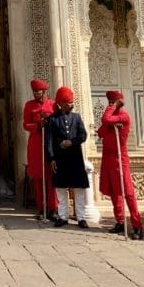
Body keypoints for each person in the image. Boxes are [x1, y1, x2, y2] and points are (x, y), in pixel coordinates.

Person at [97, 90, 144, 239]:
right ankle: (120, 221)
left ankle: (137, 225)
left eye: (114, 102)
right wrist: (111, 110)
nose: (111, 105)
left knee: (128, 192)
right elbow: (101, 131)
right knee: (113, 191)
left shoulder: (124, 116)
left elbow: (106, 120)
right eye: (109, 103)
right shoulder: (110, 118)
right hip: (108, 158)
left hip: (120, 158)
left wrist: (113, 109)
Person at [45, 86, 89, 228]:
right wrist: (51, 158)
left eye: (72, 102)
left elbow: (83, 135)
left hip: (75, 157)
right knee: (60, 188)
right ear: (61, 103)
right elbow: (49, 141)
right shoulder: (53, 120)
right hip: (60, 159)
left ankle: (81, 217)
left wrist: (72, 141)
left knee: (79, 188)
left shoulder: (76, 118)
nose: (71, 105)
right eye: (68, 102)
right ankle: (63, 216)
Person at [23, 78, 58, 220]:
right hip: (36, 144)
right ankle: (41, 207)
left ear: (44, 91)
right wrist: (38, 125)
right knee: (39, 178)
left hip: (50, 143)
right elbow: (25, 124)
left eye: (38, 91)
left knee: (51, 177)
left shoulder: (53, 105)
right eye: (34, 91)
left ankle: (53, 208)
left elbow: (58, 122)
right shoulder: (29, 105)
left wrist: (48, 122)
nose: (36, 94)